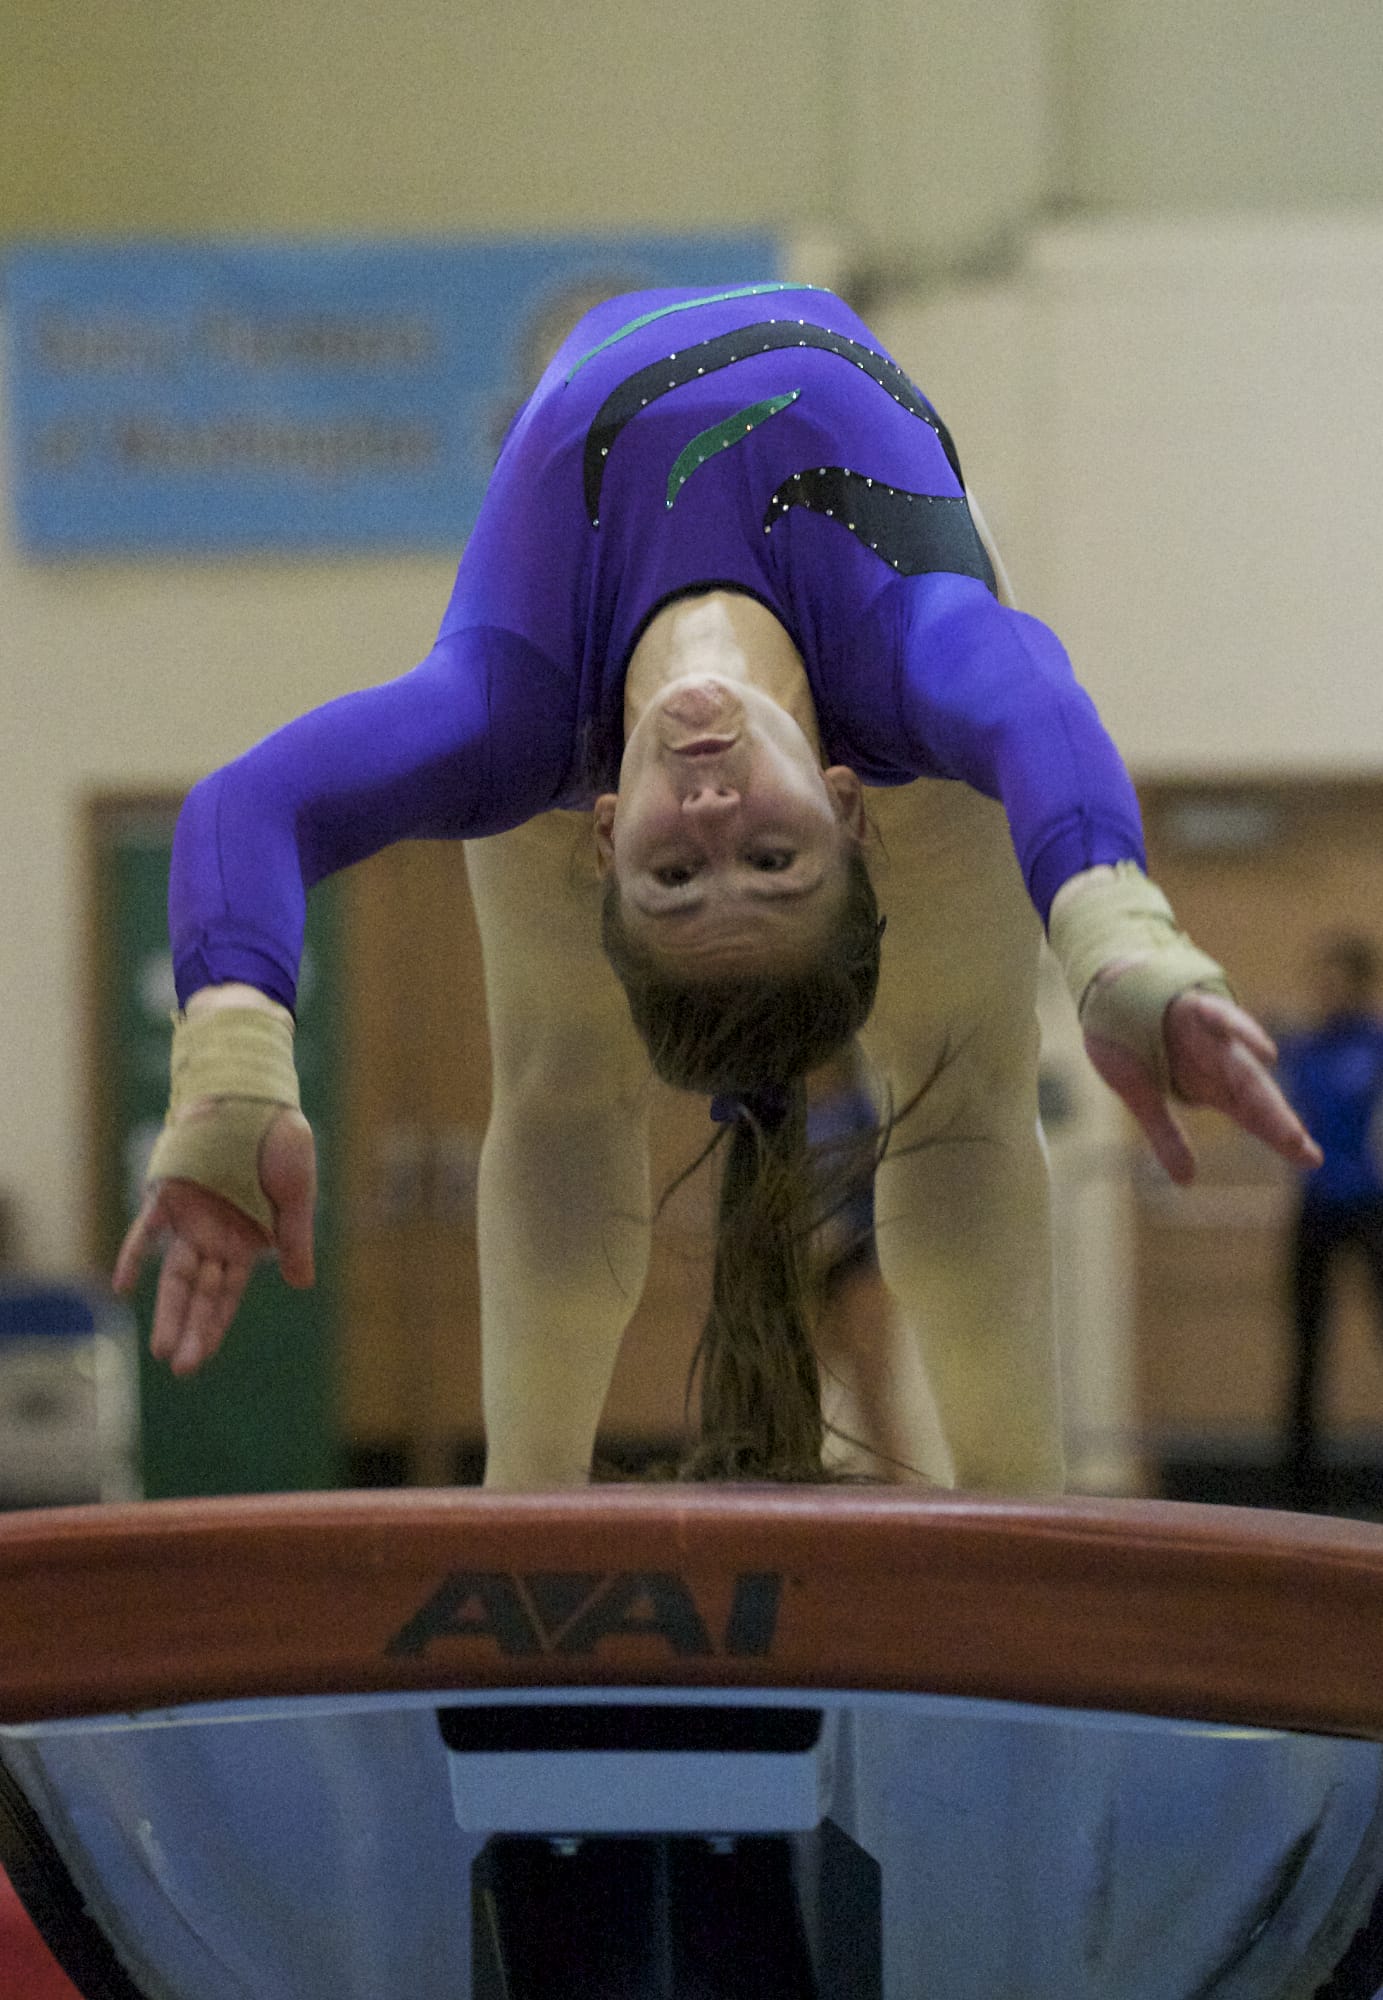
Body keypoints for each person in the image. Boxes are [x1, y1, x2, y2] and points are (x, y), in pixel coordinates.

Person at [113, 280, 1319, 1492]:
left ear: (604, 839)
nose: (711, 812)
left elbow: (244, 805)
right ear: (851, 815)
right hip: (879, 678)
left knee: (571, 1082)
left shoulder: (511, 710)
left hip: (593, 694)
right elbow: (1039, 706)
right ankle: (1003, 1522)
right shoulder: (909, 649)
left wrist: (228, 1067)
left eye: (675, 871)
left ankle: (541, 1520)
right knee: (953, 1077)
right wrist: (1118, 943)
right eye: (774, 859)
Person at [1277, 933, 1383, 1505]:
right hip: (1315, 1204)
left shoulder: (1376, 1044)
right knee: (1305, 1347)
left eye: (1338, 975)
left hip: (1368, 1204)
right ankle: (1299, 1488)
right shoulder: (1301, 1046)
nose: (1326, 987)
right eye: (1321, 975)